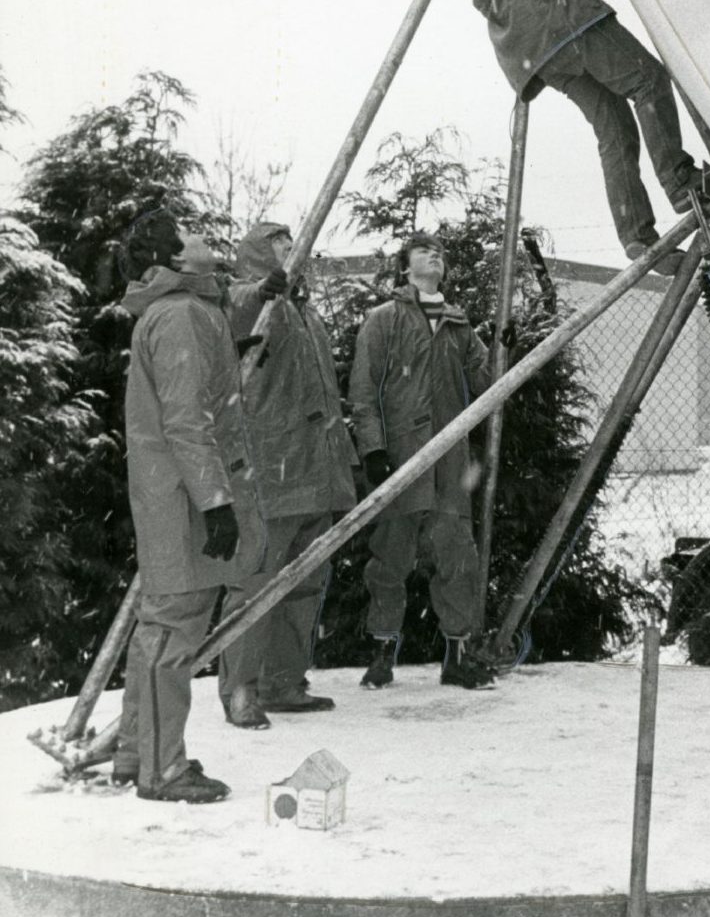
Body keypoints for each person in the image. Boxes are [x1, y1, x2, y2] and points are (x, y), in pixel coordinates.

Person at [395, 0, 710, 266]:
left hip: (531, 45)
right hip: (556, 12)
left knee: (613, 122)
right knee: (646, 78)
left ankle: (638, 238)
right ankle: (679, 182)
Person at [113, 210, 266, 803]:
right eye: (190, 233)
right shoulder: (179, 315)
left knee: (160, 624)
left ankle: (136, 752)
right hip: (183, 497)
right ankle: (162, 770)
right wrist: (216, 503)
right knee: (174, 629)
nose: (204, 236)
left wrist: (227, 352)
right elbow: (185, 422)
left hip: (172, 493)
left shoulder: (185, 311)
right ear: (174, 259)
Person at [217, 221, 358, 728]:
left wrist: (348, 460)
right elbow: (236, 309)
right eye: (278, 243)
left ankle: (284, 681)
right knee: (255, 582)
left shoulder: (304, 312)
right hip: (270, 467)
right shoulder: (247, 297)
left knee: (304, 582)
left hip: (316, 467)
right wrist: (262, 289)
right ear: (257, 252)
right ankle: (240, 690)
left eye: (291, 242)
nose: (290, 249)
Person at [348, 231, 493, 689]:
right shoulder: (384, 320)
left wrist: (503, 346)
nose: (435, 256)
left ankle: (456, 655)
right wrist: (373, 450)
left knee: (456, 557)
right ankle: (382, 653)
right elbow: (363, 392)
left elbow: (488, 381)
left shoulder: (459, 325)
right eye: (424, 251)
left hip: (449, 462)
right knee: (389, 559)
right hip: (401, 459)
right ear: (405, 268)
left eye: (440, 253)